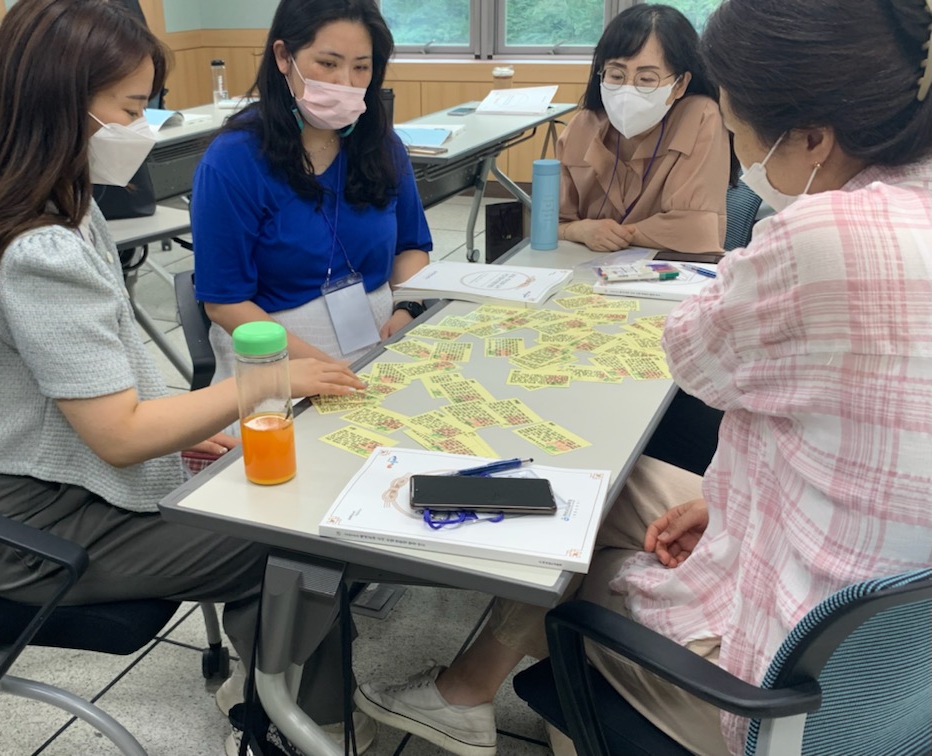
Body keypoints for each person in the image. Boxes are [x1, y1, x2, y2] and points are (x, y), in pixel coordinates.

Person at [355, 0, 932, 753]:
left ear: (813, 138)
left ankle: (475, 678)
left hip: (789, 689)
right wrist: (733, 502)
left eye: (737, 129)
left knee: (570, 487)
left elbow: (696, 351)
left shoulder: (821, 234)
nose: (737, 152)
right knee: (609, 479)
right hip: (892, 658)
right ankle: (466, 685)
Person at [0, 2, 366, 755]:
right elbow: (121, 436)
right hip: (36, 533)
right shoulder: (40, 248)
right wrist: (261, 382)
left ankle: (280, 695)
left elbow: (122, 368)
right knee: (307, 540)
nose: (145, 126)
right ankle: (287, 717)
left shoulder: (61, 208)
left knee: (286, 497)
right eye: (132, 107)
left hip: (73, 487)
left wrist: (208, 425)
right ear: (63, 104)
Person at [191, 0, 433, 391]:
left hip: (378, 348)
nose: (346, 83)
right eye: (328, 64)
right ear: (284, 57)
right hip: (278, 361)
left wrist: (406, 309)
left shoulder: (381, 145)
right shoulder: (233, 161)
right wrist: (322, 367)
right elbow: (223, 302)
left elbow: (412, 247)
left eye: (361, 67)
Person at [556, 4, 734, 254]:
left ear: (680, 84)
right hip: (588, 271)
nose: (628, 91)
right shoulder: (584, 125)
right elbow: (550, 222)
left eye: (647, 79)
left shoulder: (700, 116)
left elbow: (694, 230)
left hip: (670, 272)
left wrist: (612, 235)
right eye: (616, 76)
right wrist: (582, 230)